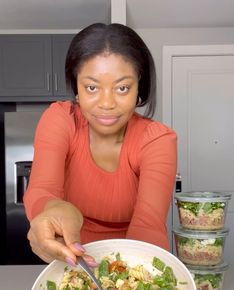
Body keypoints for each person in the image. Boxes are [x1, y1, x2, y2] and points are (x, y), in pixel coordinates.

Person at [24, 22, 177, 268]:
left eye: (122, 88)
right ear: (77, 88)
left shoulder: (158, 140)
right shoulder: (60, 120)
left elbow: (148, 227)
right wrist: (52, 208)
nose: (106, 103)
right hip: (74, 263)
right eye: (92, 87)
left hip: (136, 264)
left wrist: (128, 285)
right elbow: (42, 190)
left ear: (139, 89)